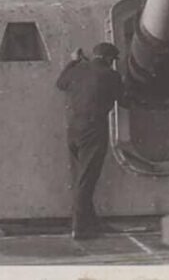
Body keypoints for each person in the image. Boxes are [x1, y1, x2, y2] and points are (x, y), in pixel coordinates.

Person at [55, 42, 125, 239]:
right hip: (94, 130)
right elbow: (124, 100)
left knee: (82, 178)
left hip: (74, 129)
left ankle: (92, 223)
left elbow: (60, 83)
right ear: (109, 59)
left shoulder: (77, 70)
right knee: (87, 180)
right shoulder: (111, 75)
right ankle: (79, 227)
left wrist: (72, 62)